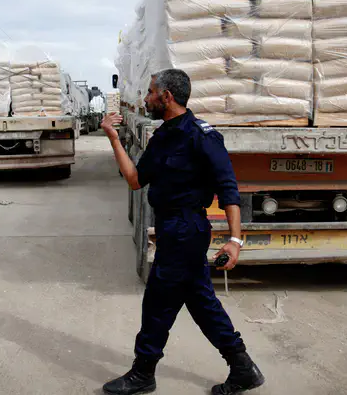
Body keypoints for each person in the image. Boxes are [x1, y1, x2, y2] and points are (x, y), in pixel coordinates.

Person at [100, 69, 264, 395]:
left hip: (186, 230)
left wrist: (234, 240)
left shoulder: (202, 137)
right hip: (171, 228)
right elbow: (135, 179)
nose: (145, 99)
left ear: (167, 97)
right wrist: (114, 138)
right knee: (201, 303)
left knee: (158, 303)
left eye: (149, 92)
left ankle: (143, 372)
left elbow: (228, 189)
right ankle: (242, 367)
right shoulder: (162, 137)